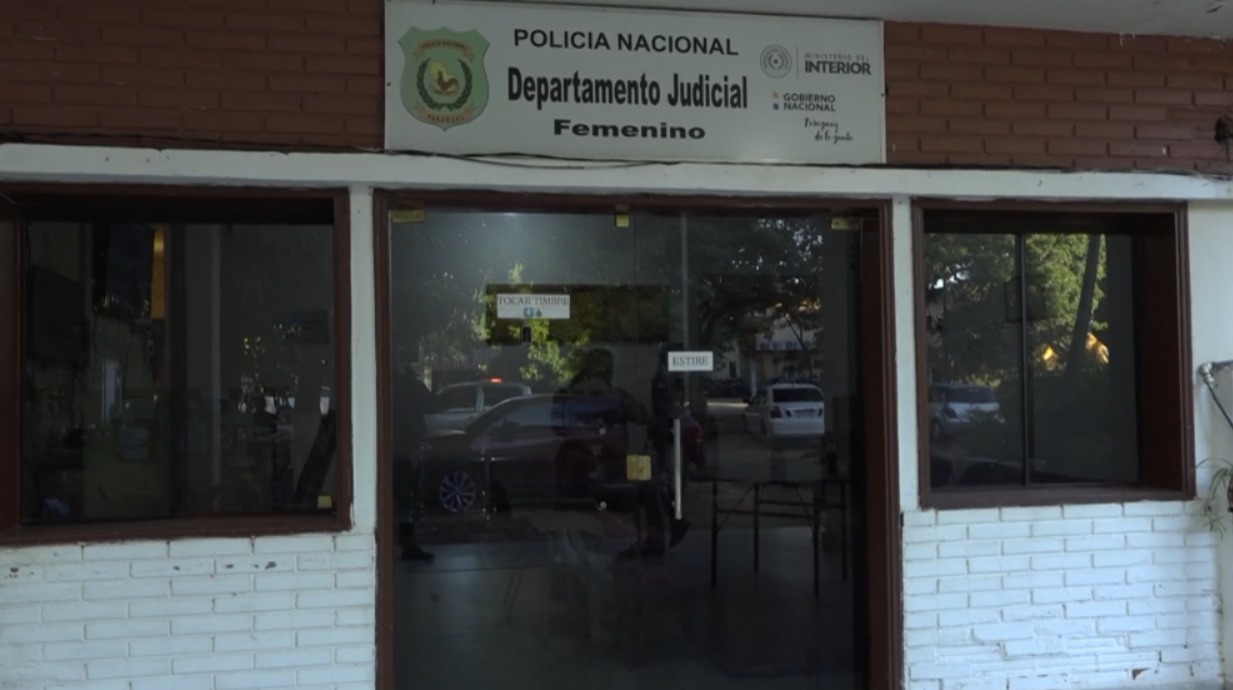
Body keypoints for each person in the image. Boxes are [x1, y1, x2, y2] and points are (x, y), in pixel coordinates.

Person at [392, 365, 441, 561]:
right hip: (405, 448)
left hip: (390, 447)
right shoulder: (411, 385)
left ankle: (401, 542)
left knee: (400, 499)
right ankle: (406, 543)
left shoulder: (384, 385)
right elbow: (434, 405)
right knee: (406, 499)